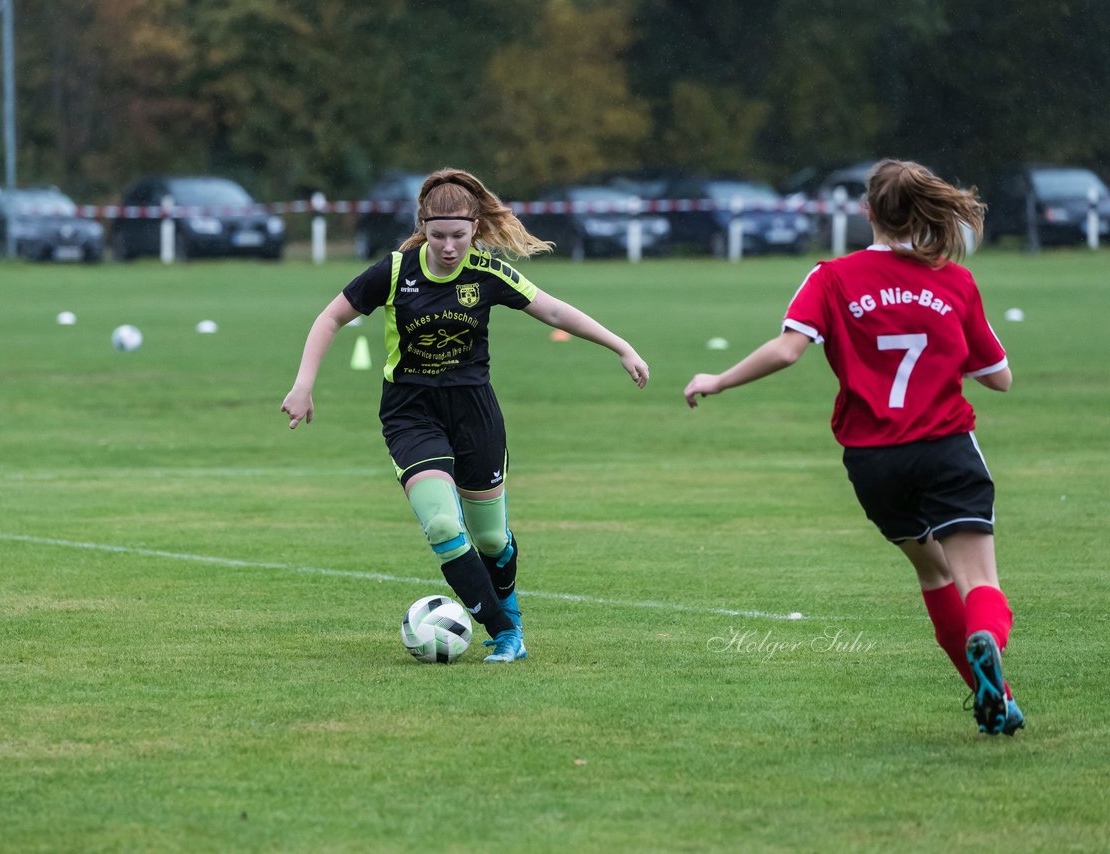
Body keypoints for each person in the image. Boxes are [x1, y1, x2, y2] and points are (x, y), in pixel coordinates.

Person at [683, 158, 1024, 735]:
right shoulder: (954, 279)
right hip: (945, 447)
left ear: (866, 211)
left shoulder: (831, 277)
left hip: (874, 460)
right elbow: (999, 378)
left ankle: (1000, 702)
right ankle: (985, 640)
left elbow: (788, 350)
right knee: (979, 584)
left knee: (935, 576)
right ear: (922, 212)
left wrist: (716, 380)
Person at [281, 167, 650, 663]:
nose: (449, 246)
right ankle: (504, 633)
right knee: (441, 525)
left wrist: (621, 346)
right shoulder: (395, 271)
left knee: (492, 538)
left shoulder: (488, 272)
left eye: (459, 235)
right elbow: (331, 317)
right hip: (411, 411)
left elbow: (556, 312)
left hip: (474, 410)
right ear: (423, 229)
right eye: (438, 236)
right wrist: (304, 384)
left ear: (475, 228)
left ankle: (509, 611)